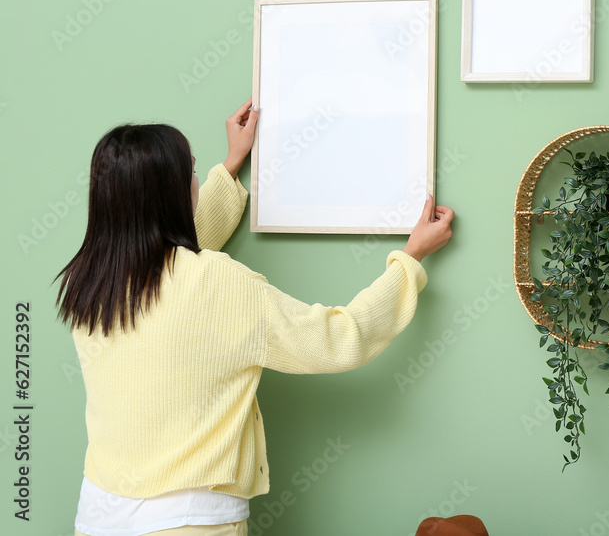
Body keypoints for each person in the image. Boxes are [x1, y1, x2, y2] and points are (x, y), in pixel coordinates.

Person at [58, 100, 455, 536]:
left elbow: (177, 262)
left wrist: (230, 165)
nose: (195, 177)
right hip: (188, 524)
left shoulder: (90, 281)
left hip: (98, 516)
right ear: (171, 193)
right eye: (190, 171)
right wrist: (410, 258)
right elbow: (341, 339)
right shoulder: (217, 283)